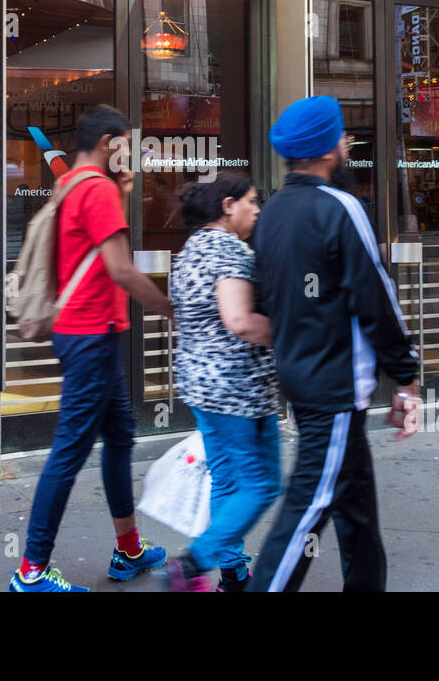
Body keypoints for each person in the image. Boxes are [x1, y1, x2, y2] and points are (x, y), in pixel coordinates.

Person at [248, 94, 421, 593]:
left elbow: (269, 301)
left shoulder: (272, 212)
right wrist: (406, 377)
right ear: (327, 149)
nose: (347, 142)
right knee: (309, 504)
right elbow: (377, 298)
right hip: (334, 387)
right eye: (342, 135)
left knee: (355, 505)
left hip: (302, 378)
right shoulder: (341, 207)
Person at [8, 104, 176, 592]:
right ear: (108, 143)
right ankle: (31, 571)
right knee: (69, 451)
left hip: (85, 333)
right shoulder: (97, 189)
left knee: (120, 438)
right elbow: (120, 269)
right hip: (91, 336)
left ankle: (129, 550)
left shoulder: (71, 184)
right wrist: (172, 309)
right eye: (124, 143)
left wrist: (120, 191)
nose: (129, 152)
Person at [165, 172, 279, 593]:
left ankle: (232, 574)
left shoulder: (190, 249)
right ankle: (193, 562)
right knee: (262, 484)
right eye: (252, 201)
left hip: (201, 386)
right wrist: (295, 335)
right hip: (238, 389)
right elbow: (240, 321)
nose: (258, 210)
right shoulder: (229, 250)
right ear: (228, 205)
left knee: (227, 481)